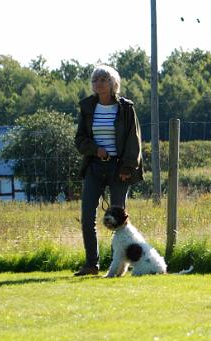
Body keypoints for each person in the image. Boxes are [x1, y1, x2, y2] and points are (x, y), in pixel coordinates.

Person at [73, 65, 143, 276]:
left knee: (119, 220)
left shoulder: (126, 108)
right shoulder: (87, 107)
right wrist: (96, 150)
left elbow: (134, 140)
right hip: (94, 167)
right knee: (87, 217)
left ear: (113, 83)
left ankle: (119, 266)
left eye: (103, 79)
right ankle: (91, 264)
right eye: (95, 80)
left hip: (119, 169)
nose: (98, 83)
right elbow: (80, 140)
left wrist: (127, 167)